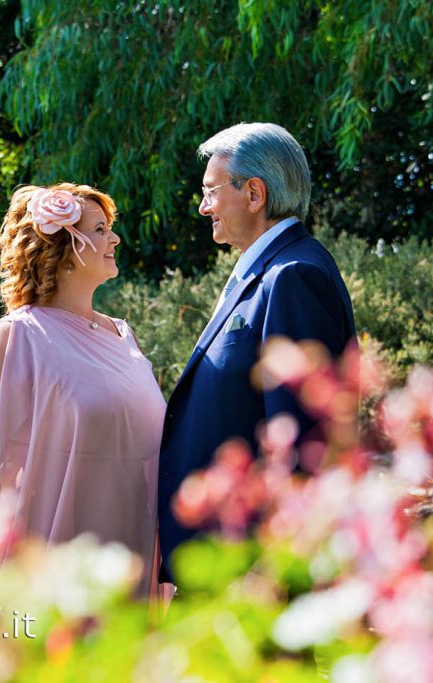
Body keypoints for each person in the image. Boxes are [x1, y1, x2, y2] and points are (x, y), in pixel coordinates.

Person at [0, 183, 166, 596]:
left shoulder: (124, 337)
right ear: (64, 250)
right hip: (52, 552)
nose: (115, 238)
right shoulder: (13, 339)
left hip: (129, 549)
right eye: (99, 229)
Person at [157, 123, 357, 583]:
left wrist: (275, 573)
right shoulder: (268, 271)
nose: (203, 206)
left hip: (250, 573)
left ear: (254, 194)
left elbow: (304, 439)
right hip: (223, 564)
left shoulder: (293, 277)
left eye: (210, 191)